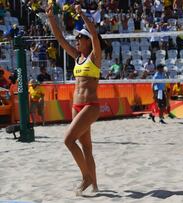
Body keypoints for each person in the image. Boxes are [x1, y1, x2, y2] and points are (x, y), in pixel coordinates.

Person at [47, 2, 103, 194]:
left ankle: (86, 177)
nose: (77, 41)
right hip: (76, 106)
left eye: (80, 38)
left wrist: (82, 15)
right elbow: (60, 38)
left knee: (68, 141)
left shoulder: (94, 57)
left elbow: (95, 34)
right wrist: (51, 18)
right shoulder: (76, 57)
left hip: (90, 105)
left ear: (87, 41)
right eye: (77, 38)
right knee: (86, 147)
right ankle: (95, 186)